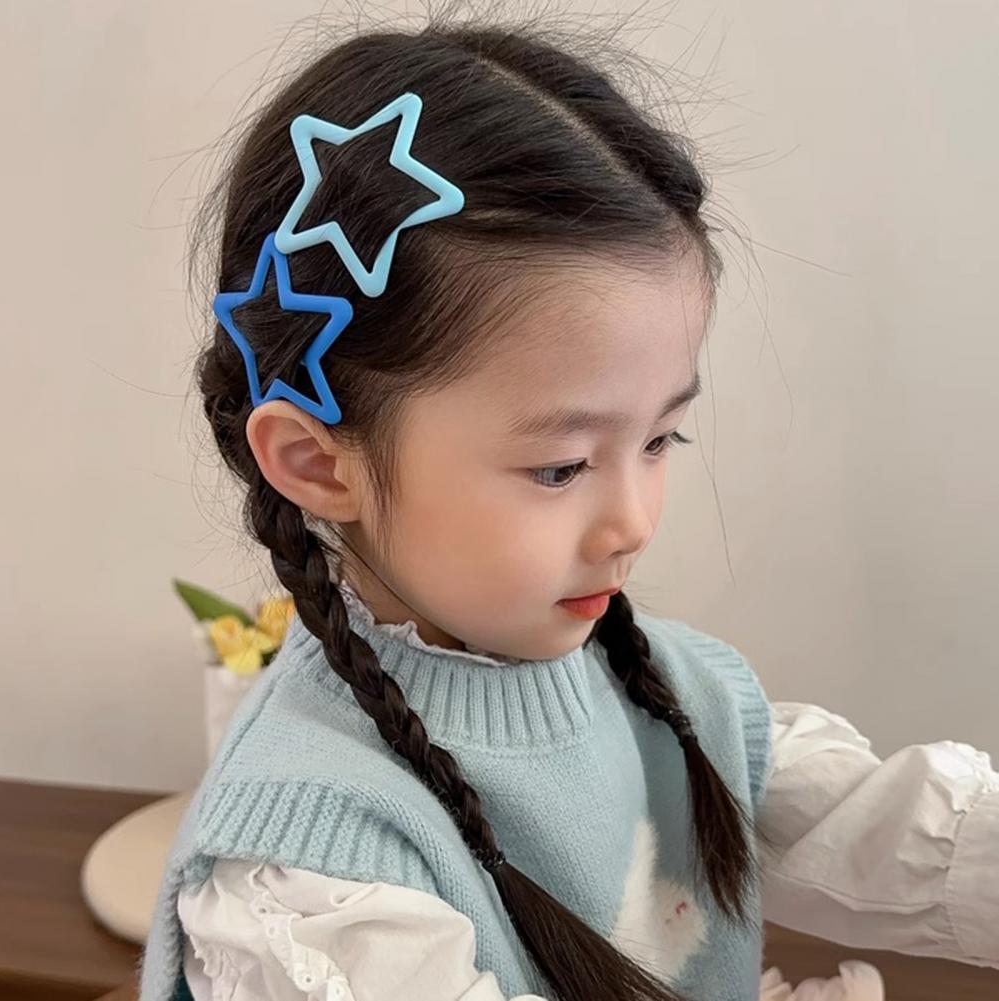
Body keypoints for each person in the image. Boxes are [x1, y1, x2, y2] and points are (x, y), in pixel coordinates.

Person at [137, 11, 999, 1001]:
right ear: (316, 462)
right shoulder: (308, 873)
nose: (633, 522)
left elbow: (904, 838)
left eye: (660, 439)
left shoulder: (677, 698)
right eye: (560, 467)